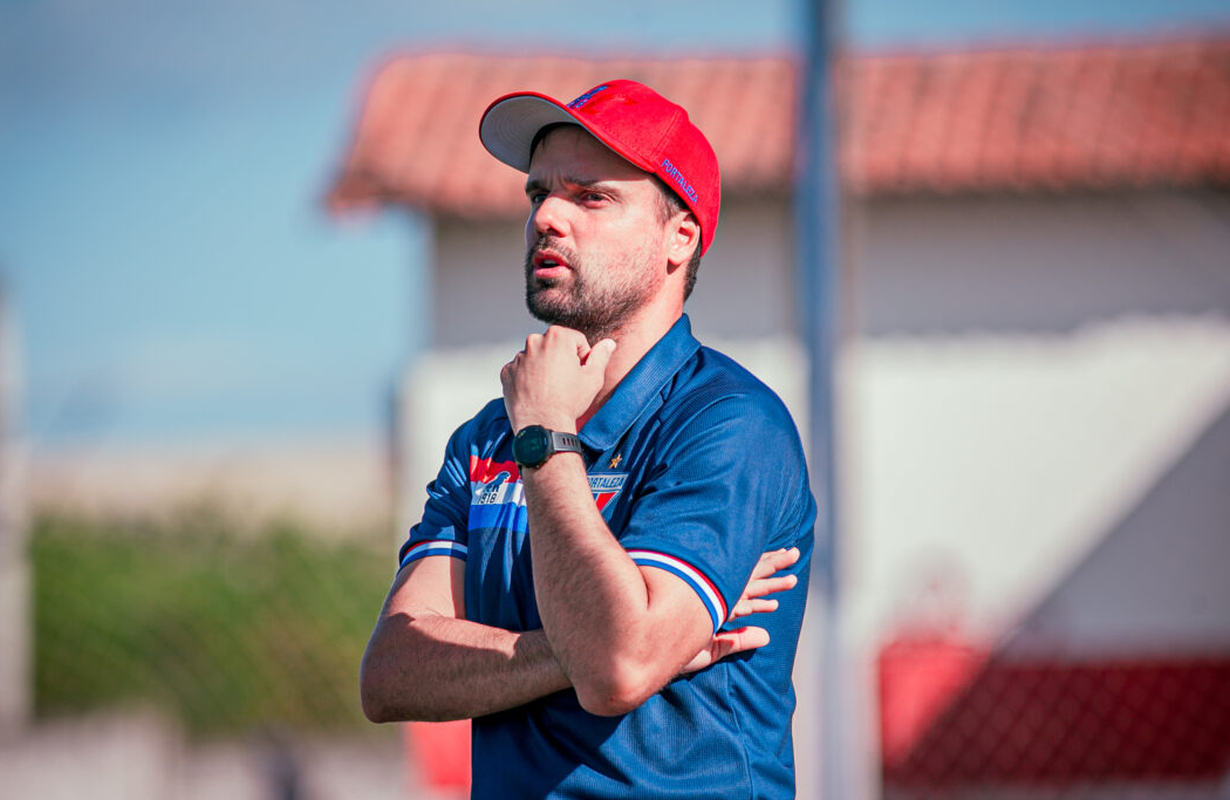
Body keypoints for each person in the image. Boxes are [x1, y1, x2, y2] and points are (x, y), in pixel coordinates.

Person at [360, 79, 816, 799]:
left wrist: (545, 440)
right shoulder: (489, 433)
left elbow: (617, 673)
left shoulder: (729, 423)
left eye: (591, 197)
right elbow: (390, 674)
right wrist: (582, 649)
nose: (548, 217)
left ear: (680, 238)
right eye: (538, 193)